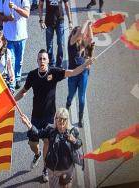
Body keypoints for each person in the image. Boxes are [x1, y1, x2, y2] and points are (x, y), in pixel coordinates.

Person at [15, 49, 93, 182]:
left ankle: (45, 169)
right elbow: (23, 91)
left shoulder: (54, 72)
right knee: (32, 143)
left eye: (44, 59)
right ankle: (37, 154)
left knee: (47, 142)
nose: (42, 61)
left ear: (48, 60)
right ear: (37, 61)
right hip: (36, 116)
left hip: (50, 116)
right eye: (40, 59)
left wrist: (85, 64)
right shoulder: (33, 75)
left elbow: (73, 72)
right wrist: (13, 100)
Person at [21, 108, 82, 188]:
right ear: (55, 120)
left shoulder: (73, 131)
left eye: (64, 122)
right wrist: (29, 125)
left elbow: (79, 144)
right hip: (53, 168)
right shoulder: (51, 130)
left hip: (67, 168)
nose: (61, 125)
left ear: (67, 121)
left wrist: (74, 140)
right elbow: (38, 133)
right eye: (59, 121)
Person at [0, 0, 30, 89]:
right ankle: (12, 80)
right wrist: (7, 18)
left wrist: (15, 7)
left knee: (19, 60)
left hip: (21, 36)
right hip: (7, 37)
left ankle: (17, 77)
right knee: (11, 60)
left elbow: (27, 14)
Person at [66, 21, 94, 128]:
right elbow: (81, 33)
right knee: (70, 96)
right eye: (78, 32)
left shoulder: (83, 44)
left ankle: (80, 118)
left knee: (81, 98)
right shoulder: (71, 42)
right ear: (74, 34)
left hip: (83, 74)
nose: (82, 34)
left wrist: (90, 26)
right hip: (73, 75)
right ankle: (67, 109)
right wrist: (86, 22)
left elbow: (90, 39)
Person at [38, 0, 73, 68]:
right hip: (48, 22)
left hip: (60, 21)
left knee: (60, 44)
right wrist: (41, 20)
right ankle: (51, 64)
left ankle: (59, 65)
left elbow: (67, 6)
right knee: (49, 45)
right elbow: (40, 5)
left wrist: (70, 21)